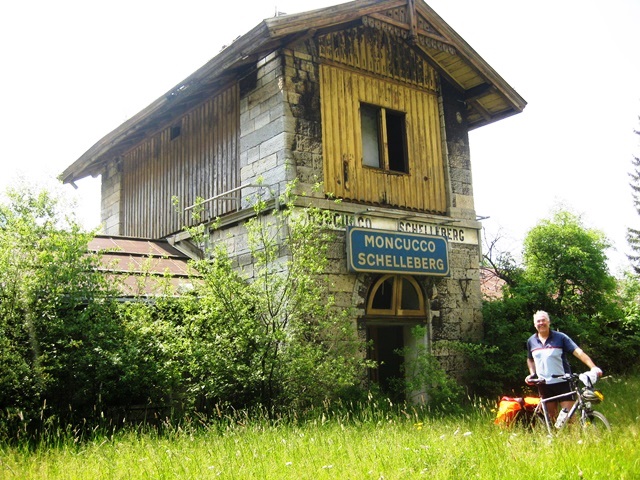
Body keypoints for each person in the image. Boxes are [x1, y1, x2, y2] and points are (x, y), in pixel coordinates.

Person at [525, 310, 602, 421]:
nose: (541, 323)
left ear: (549, 322)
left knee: (569, 418)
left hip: (563, 382)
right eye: (538, 321)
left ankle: (575, 438)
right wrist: (532, 374)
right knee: (552, 418)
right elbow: (530, 359)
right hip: (544, 384)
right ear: (534, 324)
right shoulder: (531, 341)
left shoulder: (560, 337)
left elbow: (578, 352)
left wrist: (593, 367)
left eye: (543, 320)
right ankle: (555, 438)